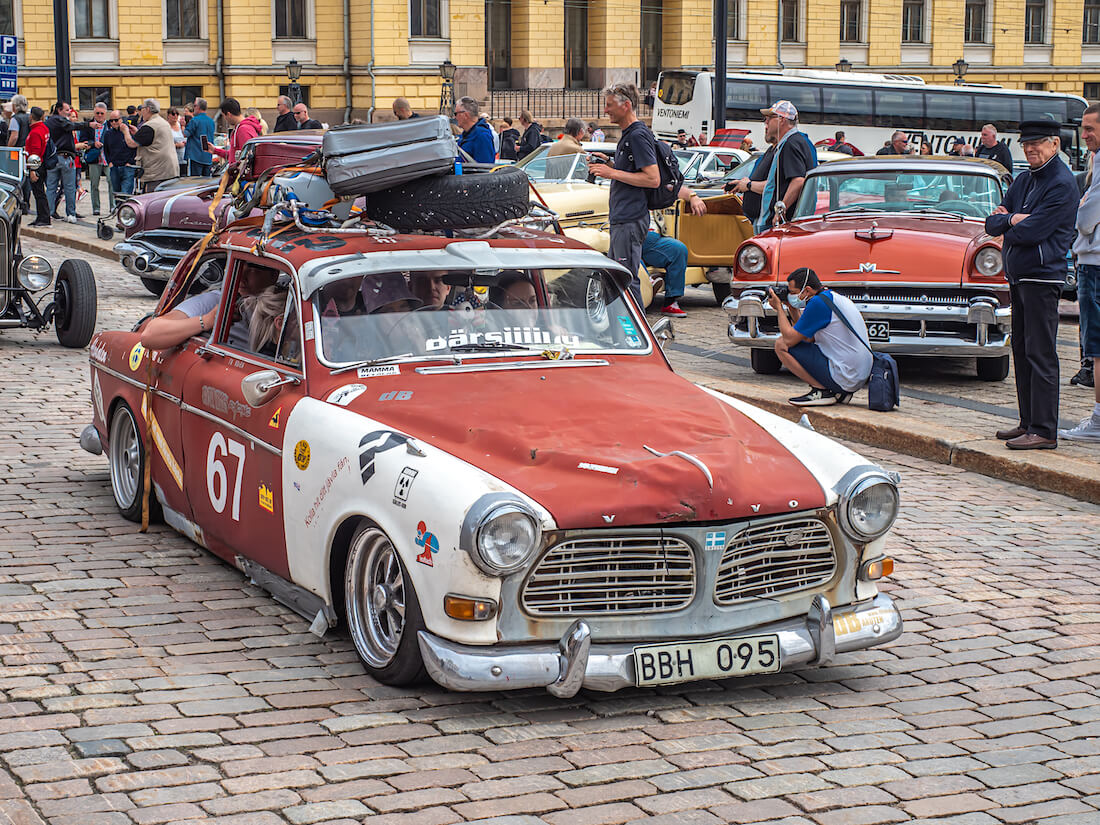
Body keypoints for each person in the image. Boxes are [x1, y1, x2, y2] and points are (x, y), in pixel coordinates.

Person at [985, 119, 1079, 450]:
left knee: (1041, 354)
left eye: (1036, 143)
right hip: (1019, 275)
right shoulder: (1026, 179)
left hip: (1042, 276)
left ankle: (1044, 429)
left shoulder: (1061, 183)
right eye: (1026, 144)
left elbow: (1033, 232)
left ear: (1055, 144)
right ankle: (1027, 422)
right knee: (1022, 352)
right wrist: (1011, 219)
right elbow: (991, 222)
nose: (1029, 148)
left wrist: (1009, 221)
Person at [588, 83, 659, 307]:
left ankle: (638, 335)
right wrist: (610, 163)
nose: (605, 110)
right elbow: (633, 171)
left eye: (609, 105)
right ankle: (622, 331)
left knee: (626, 279)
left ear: (626, 105)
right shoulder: (631, 134)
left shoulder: (637, 135)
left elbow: (652, 178)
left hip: (629, 218)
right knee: (617, 277)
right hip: (624, 218)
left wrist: (611, 172)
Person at [767, 267, 872, 406]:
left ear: (807, 290)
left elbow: (789, 340)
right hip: (856, 375)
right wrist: (792, 308)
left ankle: (821, 391)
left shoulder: (817, 303)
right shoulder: (831, 297)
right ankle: (839, 393)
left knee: (781, 345)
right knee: (799, 343)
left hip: (846, 375)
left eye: (793, 293)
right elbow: (807, 338)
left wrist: (779, 309)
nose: (791, 296)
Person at [1062, 104, 1100, 441]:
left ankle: (1099, 421)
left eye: (1089, 128)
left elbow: (1088, 214)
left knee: (1096, 344)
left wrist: (1081, 218)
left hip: (1095, 260)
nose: (1083, 135)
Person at [140, 262, 279, 350]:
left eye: (253, 269)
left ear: (274, 275)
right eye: (239, 266)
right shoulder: (216, 301)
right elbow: (150, 335)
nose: (241, 275)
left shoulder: (288, 303)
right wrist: (207, 321)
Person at [725, 100, 816, 232]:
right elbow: (778, 184)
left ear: (781, 120)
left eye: (769, 118)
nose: (765, 123)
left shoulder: (791, 143)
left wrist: (780, 212)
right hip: (779, 222)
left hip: (781, 224)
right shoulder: (790, 143)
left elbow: (798, 181)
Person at [122, 99, 180, 193]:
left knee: (153, 203)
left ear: (148, 109)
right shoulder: (163, 122)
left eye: (142, 109)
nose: (141, 112)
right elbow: (151, 140)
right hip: (170, 171)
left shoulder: (150, 126)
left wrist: (125, 131)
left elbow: (132, 144)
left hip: (156, 174)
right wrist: (137, 132)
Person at [45, 102, 89, 223]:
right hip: (65, 157)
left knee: (51, 187)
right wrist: (89, 124)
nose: (69, 111)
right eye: (67, 109)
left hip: (52, 158)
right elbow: (72, 126)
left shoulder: (48, 122)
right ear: (59, 110)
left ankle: (48, 213)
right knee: (70, 187)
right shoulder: (61, 121)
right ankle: (71, 214)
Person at [243, 285, 299, 363]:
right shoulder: (270, 360)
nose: (301, 325)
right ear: (280, 323)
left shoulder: (274, 354)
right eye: (297, 320)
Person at [210, 99, 262, 164]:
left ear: (228, 114)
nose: (226, 120)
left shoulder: (243, 130)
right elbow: (233, 155)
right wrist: (215, 150)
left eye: (224, 116)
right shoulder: (241, 128)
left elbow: (246, 158)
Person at [24, 108, 52, 226]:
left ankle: (44, 218)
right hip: (42, 163)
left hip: (36, 165)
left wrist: (33, 170)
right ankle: (42, 216)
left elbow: (35, 153)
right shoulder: (44, 128)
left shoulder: (35, 132)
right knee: (40, 192)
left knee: (39, 192)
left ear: (31, 116)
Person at [103, 110, 138, 199]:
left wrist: (130, 162)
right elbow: (106, 150)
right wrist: (110, 162)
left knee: (125, 193)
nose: (113, 123)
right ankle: (119, 211)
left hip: (127, 166)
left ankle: (125, 212)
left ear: (121, 120)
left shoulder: (129, 131)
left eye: (116, 120)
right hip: (114, 166)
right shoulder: (108, 134)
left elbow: (135, 148)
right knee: (117, 194)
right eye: (111, 121)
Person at [84, 103, 110, 216]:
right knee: (94, 185)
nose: (99, 115)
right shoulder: (88, 125)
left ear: (105, 114)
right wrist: (93, 144)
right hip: (94, 158)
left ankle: (113, 207)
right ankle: (96, 208)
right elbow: (84, 140)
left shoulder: (110, 125)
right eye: (97, 113)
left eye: (102, 113)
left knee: (111, 183)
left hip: (108, 158)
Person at [454, 97, 495, 163]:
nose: (454, 117)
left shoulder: (482, 136)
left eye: (456, 114)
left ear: (465, 115)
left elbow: (485, 168)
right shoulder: (467, 134)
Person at [184, 98, 215, 176]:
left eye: (194, 106)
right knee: (207, 184)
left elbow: (186, 134)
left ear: (198, 107)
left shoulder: (195, 120)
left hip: (196, 156)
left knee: (195, 183)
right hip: (208, 157)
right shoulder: (211, 121)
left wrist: (183, 125)